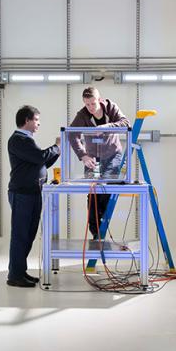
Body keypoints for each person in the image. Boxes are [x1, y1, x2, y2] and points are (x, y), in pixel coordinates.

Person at [6, 105, 61, 288]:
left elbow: (42, 160)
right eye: (36, 120)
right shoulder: (18, 140)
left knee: (28, 235)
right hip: (22, 194)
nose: (38, 123)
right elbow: (40, 157)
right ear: (27, 120)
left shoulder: (27, 140)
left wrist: (57, 151)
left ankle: (20, 272)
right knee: (20, 235)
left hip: (32, 193)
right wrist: (56, 146)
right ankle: (14, 276)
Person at [69, 87, 130, 239]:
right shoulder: (82, 115)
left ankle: (101, 224)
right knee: (94, 190)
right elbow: (71, 134)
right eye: (87, 104)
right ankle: (95, 230)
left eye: (93, 103)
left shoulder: (111, 107)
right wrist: (83, 155)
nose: (90, 107)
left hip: (113, 155)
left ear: (100, 100)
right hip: (93, 159)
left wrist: (106, 127)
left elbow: (126, 123)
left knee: (107, 184)